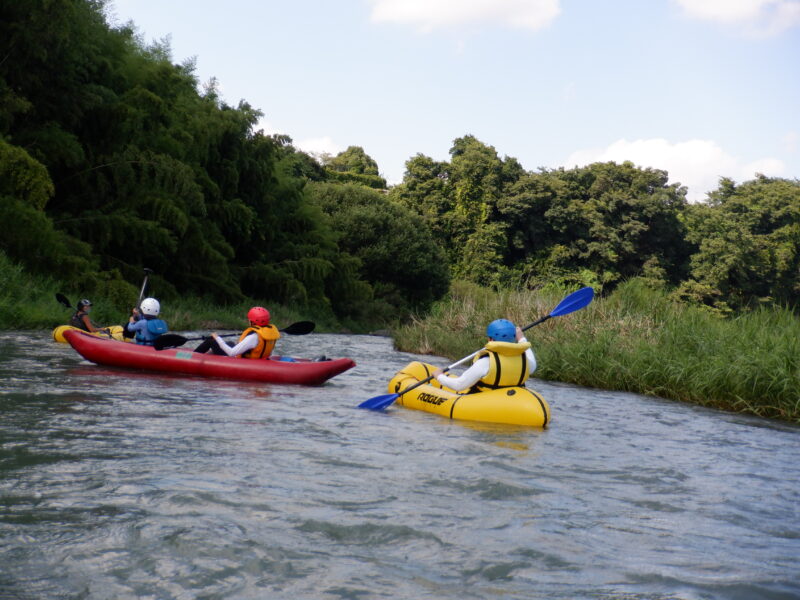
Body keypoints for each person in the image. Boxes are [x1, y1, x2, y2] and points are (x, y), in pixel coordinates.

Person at [432, 319, 537, 393]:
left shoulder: (486, 362)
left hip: (488, 402)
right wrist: (522, 339)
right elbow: (532, 362)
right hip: (513, 401)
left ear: (490, 339)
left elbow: (459, 385)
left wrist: (439, 376)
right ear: (514, 338)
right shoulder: (524, 360)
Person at [194, 306, 280, 358]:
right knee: (231, 342)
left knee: (211, 341)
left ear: (253, 322)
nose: (248, 321)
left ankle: (191, 357)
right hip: (258, 358)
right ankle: (209, 355)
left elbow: (231, 353)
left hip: (239, 358)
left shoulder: (253, 337)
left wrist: (217, 338)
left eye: (249, 320)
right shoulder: (268, 333)